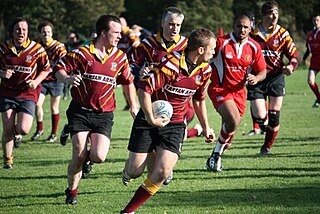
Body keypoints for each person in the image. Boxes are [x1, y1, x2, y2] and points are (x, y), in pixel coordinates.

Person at [120, 27, 216, 214]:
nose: (214, 52)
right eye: (212, 48)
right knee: (135, 171)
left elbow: (198, 100)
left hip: (176, 123)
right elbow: (144, 90)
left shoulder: (205, 70)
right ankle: (127, 171)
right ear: (201, 50)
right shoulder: (170, 65)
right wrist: (150, 118)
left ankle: (128, 211)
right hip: (149, 117)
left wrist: (206, 127)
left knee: (163, 172)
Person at [54, 15, 139, 204]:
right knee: (78, 154)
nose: (119, 37)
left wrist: (133, 104)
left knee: (99, 157)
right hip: (80, 111)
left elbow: (128, 82)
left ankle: (85, 157)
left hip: (104, 114)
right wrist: (67, 79)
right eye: (115, 33)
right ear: (103, 33)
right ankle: (72, 191)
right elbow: (59, 68)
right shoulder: (82, 53)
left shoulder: (120, 57)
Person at [125, 6, 188, 185]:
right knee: (135, 170)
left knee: (162, 162)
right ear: (162, 23)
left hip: (176, 106)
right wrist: (139, 70)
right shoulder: (148, 43)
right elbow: (131, 65)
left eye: (178, 25)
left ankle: (165, 167)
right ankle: (132, 167)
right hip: (151, 103)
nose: (174, 28)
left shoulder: (186, 45)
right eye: (171, 24)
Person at [206, 13, 267, 172]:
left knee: (229, 134)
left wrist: (256, 78)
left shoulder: (254, 47)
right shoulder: (221, 43)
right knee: (232, 120)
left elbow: (262, 71)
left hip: (239, 93)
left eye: (246, 27)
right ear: (233, 26)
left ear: (251, 28)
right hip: (220, 89)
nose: (242, 29)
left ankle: (215, 155)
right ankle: (216, 156)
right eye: (239, 26)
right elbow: (203, 57)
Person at [248, 0, 299, 154]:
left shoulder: (283, 34)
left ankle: (266, 147)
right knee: (260, 115)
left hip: (276, 78)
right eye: (271, 13)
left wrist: (291, 66)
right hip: (257, 78)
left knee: (274, 115)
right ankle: (264, 127)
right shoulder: (252, 33)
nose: (275, 16)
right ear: (264, 15)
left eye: (276, 13)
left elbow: (294, 56)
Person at [0, 17, 51, 169]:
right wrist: (1, 73)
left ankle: (15, 135)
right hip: (7, 92)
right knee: (7, 127)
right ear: (12, 31)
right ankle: (8, 159)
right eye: (18, 29)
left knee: (24, 129)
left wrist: (35, 82)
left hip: (28, 93)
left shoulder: (37, 49)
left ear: (28, 32)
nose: (21, 32)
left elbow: (46, 69)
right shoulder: (3, 49)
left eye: (24, 29)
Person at [30, 21, 67, 142]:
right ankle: (40, 129)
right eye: (44, 32)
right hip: (42, 80)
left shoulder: (58, 46)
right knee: (37, 104)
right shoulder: (37, 46)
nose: (46, 34)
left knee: (54, 107)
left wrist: (54, 68)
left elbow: (64, 61)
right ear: (40, 33)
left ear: (52, 33)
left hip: (56, 80)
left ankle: (53, 134)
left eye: (49, 32)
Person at [118, 16, 141, 110]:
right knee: (125, 84)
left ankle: (135, 104)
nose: (119, 27)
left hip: (131, 63)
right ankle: (129, 104)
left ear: (125, 24)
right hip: (122, 63)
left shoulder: (130, 34)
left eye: (121, 24)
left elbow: (137, 46)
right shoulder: (119, 35)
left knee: (130, 83)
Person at [302, 14, 320, 108]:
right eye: (314, 20)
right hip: (314, 59)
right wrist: (304, 58)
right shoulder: (310, 35)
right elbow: (309, 49)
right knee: (310, 80)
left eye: (317, 20)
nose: (316, 22)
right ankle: (319, 98)